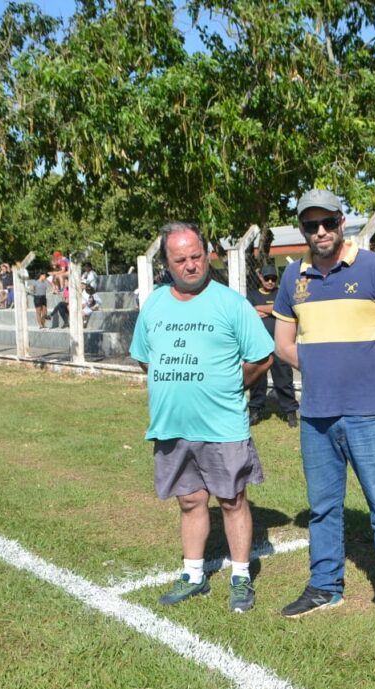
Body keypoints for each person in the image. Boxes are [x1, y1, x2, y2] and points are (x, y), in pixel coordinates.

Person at [272, 188, 375, 632]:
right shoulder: (292, 277)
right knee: (322, 506)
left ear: (342, 222)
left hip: (367, 412)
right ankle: (324, 585)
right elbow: (283, 344)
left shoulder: (374, 268)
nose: (319, 232)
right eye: (309, 225)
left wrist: (373, 378)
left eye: (327, 223)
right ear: (302, 229)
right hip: (317, 414)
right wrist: (320, 368)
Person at [130, 222, 274, 613]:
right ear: (166, 263)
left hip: (222, 424)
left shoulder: (231, 303)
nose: (192, 265)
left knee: (231, 499)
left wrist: (229, 386)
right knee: (190, 500)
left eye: (197, 256)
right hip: (172, 425)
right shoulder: (155, 304)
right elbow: (145, 357)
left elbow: (262, 356)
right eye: (181, 260)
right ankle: (194, 576)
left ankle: (241, 577)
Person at [245, 263, 299, 427]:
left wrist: (261, 308)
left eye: (273, 279)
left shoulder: (281, 293)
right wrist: (273, 310)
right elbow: (247, 312)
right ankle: (255, 412)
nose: (270, 282)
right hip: (259, 345)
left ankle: (290, 413)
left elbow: (280, 307)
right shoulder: (252, 294)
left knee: (284, 379)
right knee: (257, 381)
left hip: (279, 344)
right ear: (260, 277)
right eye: (267, 278)